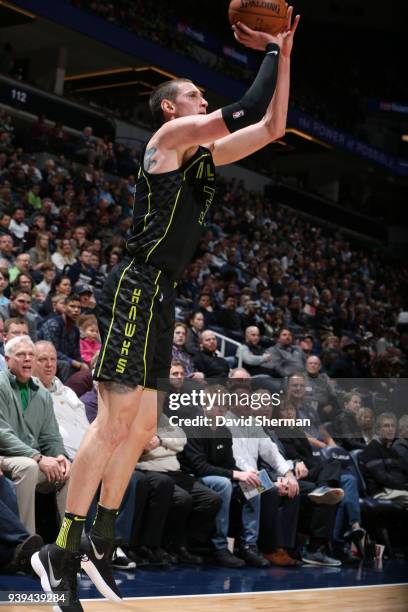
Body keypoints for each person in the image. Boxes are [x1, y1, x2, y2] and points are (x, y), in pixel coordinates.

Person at [32, 9, 300, 609]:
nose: (203, 99)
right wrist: (272, 49)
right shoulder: (166, 142)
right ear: (171, 109)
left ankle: (101, 534)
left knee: (146, 427)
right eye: (195, 95)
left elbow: (274, 125)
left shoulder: (202, 156)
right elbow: (246, 105)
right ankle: (62, 548)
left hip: (163, 293)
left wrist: (288, 54)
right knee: (113, 423)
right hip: (133, 285)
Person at [0, 336, 70, 534]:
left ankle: (69, 543)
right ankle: (25, 541)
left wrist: (60, 456)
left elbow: (51, 436)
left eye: (31, 355)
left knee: (66, 470)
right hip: (6, 456)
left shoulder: (42, 393)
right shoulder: (1, 385)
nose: (28, 359)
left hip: (32, 457)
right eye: (21, 355)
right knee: (28, 467)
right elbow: (2, 434)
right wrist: (37, 457)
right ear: (7, 360)